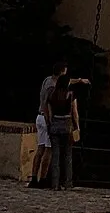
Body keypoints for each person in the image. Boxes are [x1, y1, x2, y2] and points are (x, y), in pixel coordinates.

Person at [44, 62, 80, 190]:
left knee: (55, 156)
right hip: (67, 125)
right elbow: (75, 113)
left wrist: (49, 124)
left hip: (54, 125)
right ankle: (68, 182)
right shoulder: (70, 95)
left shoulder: (52, 94)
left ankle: (54, 184)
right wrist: (77, 127)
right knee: (68, 155)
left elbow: (48, 112)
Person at [29, 67, 57, 188]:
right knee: (48, 150)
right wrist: (49, 121)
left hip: (39, 117)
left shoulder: (47, 80)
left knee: (40, 149)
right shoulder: (52, 88)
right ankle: (43, 178)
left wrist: (79, 80)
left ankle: (34, 177)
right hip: (46, 119)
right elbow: (47, 105)